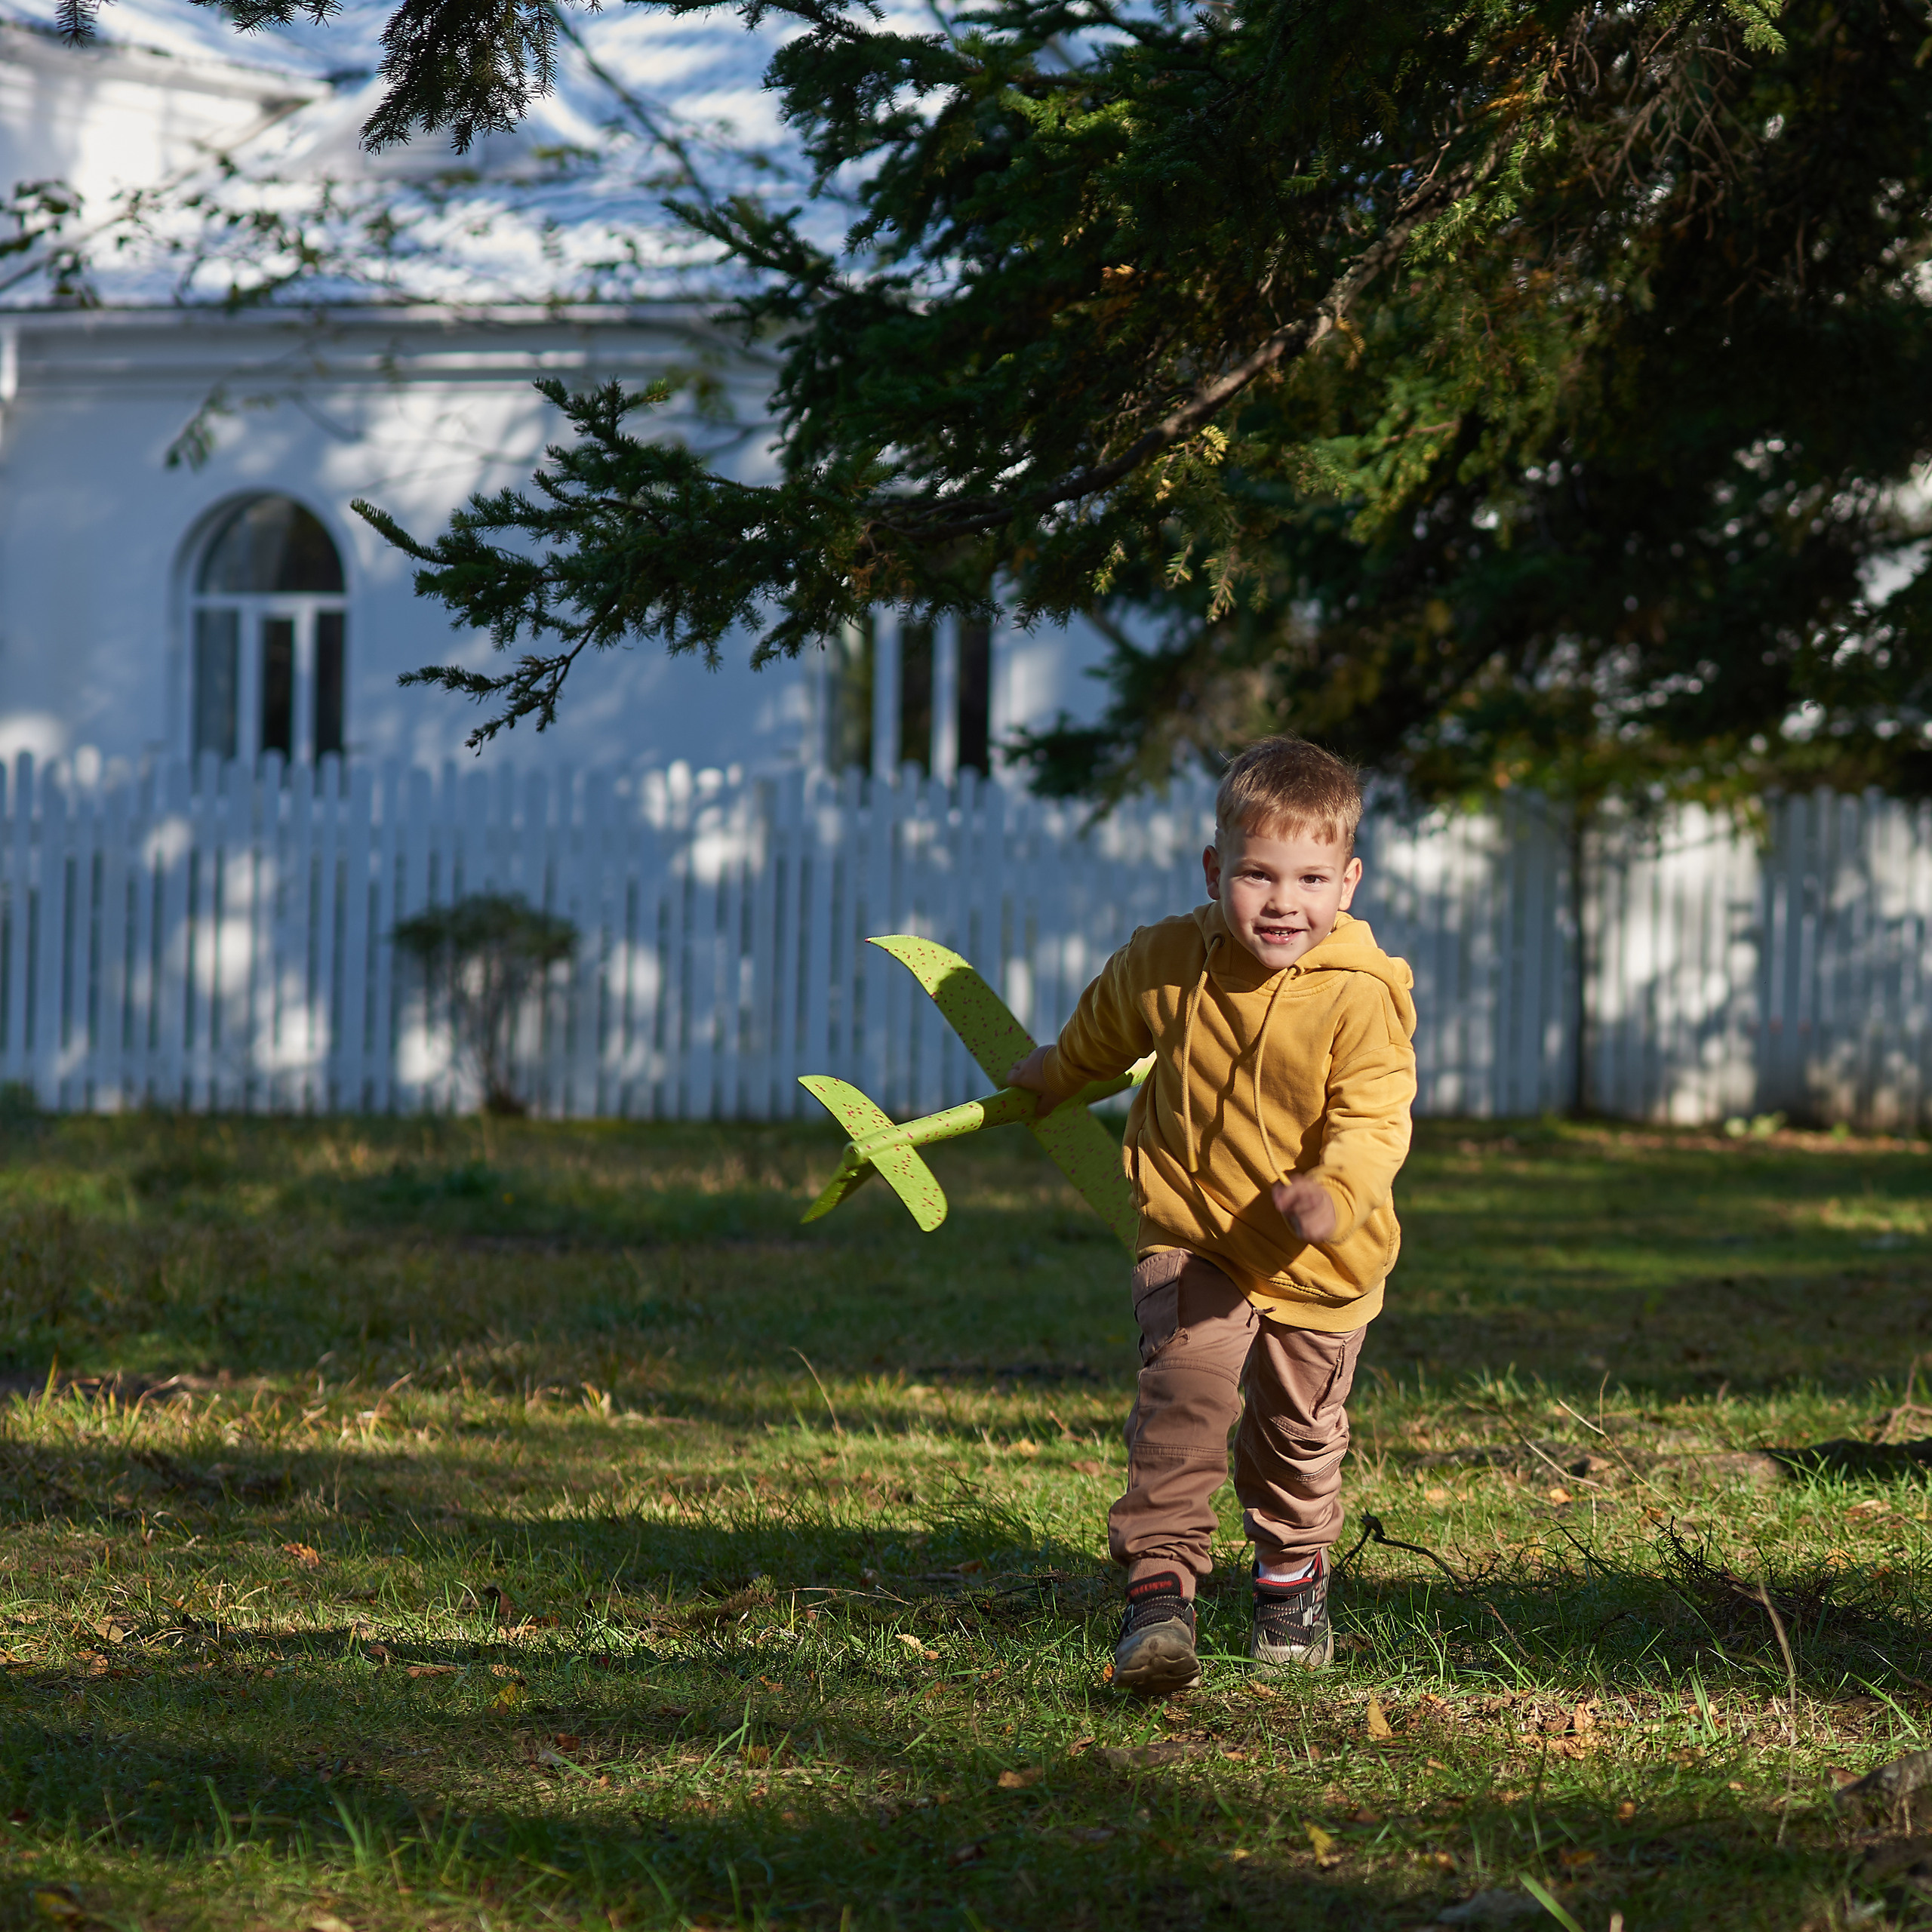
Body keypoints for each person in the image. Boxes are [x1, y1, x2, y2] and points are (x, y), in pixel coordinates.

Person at [1008, 736, 1417, 1695]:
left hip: (1323, 1260)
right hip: (1194, 1232)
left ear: (1348, 882)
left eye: (1311, 877)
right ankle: (1159, 1596)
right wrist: (1054, 1071)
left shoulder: (1362, 998)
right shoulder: (1169, 959)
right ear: (1214, 869)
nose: (1283, 901)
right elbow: (1104, 1029)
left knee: (1294, 1437)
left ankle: (1288, 1582)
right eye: (1257, 874)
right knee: (1182, 1404)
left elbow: (1372, 1122)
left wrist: (1334, 1193)